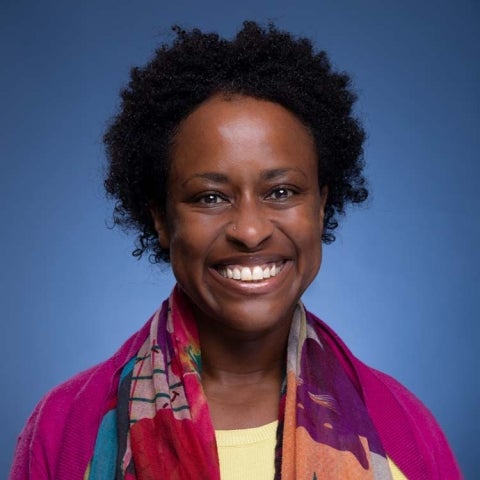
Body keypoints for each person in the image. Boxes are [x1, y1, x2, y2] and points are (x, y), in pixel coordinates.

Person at [10, 21, 461, 479]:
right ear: (162, 220)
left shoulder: (404, 431)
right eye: (210, 197)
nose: (249, 230)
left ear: (321, 205)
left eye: (281, 192)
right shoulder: (65, 430)